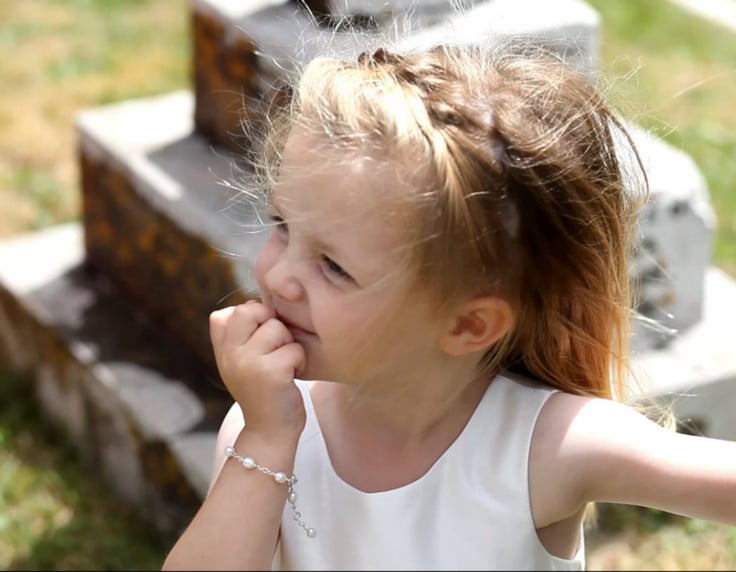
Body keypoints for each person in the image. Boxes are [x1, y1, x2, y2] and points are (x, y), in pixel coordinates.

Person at [162, 42, 736, 570]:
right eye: (282, 225)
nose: (279, 276)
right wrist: (265, 442)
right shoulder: (269, 427)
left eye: (333, 266)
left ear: (468, 324)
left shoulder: (543, 448)